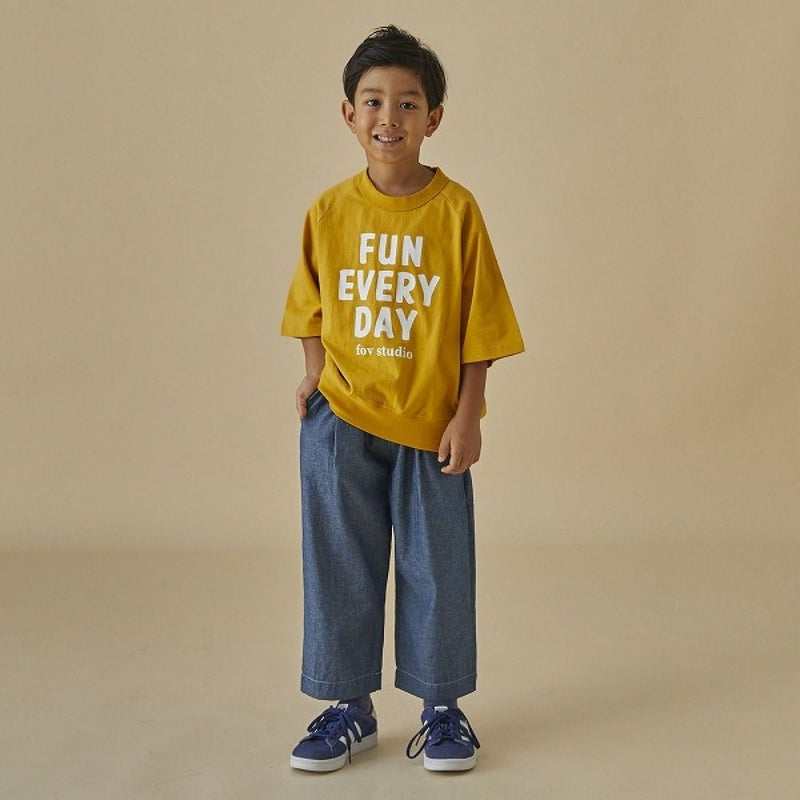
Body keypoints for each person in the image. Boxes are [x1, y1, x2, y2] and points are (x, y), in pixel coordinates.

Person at [281, 24, 524, 773]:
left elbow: (481, 325)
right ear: (349, 114)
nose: (390, 117)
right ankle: (346, 706)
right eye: (374, 101)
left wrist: (468, 414)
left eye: (409, 103)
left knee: (437, 568)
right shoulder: (329, 211)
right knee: (339, 565)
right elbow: (309, 308)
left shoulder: (457, 212)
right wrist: (315, 372)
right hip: (341, 420)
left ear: (433, 118)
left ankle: (442, 709)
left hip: (431, 426)